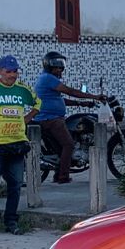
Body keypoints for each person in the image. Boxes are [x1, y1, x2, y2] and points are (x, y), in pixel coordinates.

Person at [0, 56, 41, 236]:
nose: (12, 75)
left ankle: (11, 222)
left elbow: (38, 103)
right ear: (0, 72)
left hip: (17, 145)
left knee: (16, 185)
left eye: (15, 71)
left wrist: (27, 118)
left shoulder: (23, 89)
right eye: (8, 71)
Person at [31, 51, 96, 187]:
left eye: (61, 66)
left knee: (62, 147)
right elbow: (70, 91)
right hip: (51, 119)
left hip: (50, 118)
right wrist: (95, 97)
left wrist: (81, 104)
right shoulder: (48, 78)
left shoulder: (47, 79)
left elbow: (60, 99)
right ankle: (63, 176)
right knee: (69, 145)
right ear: (50, 66)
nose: (60, 69)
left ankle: (57, 174)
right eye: (57, 66)